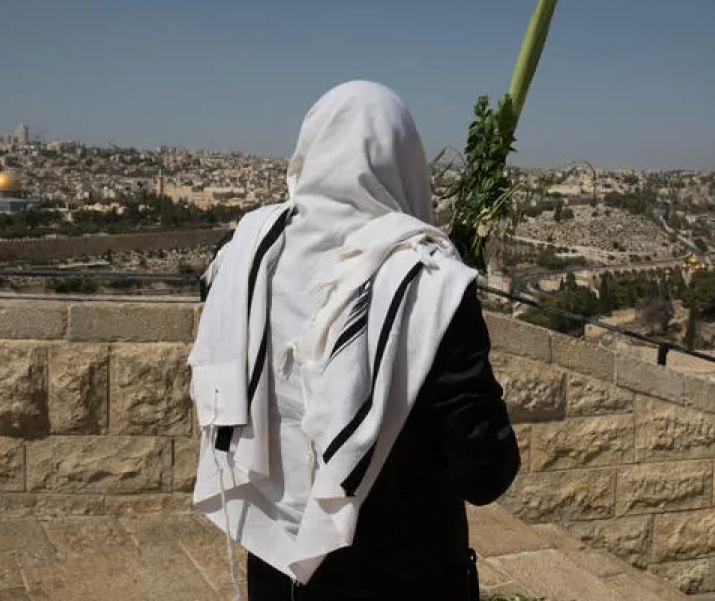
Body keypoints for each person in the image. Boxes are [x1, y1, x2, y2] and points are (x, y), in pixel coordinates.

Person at [190, 81, 519, 600]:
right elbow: (485, 471)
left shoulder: (247, 258)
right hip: (406, 572)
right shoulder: (431, 287)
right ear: (407, 162)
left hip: (280, 569)